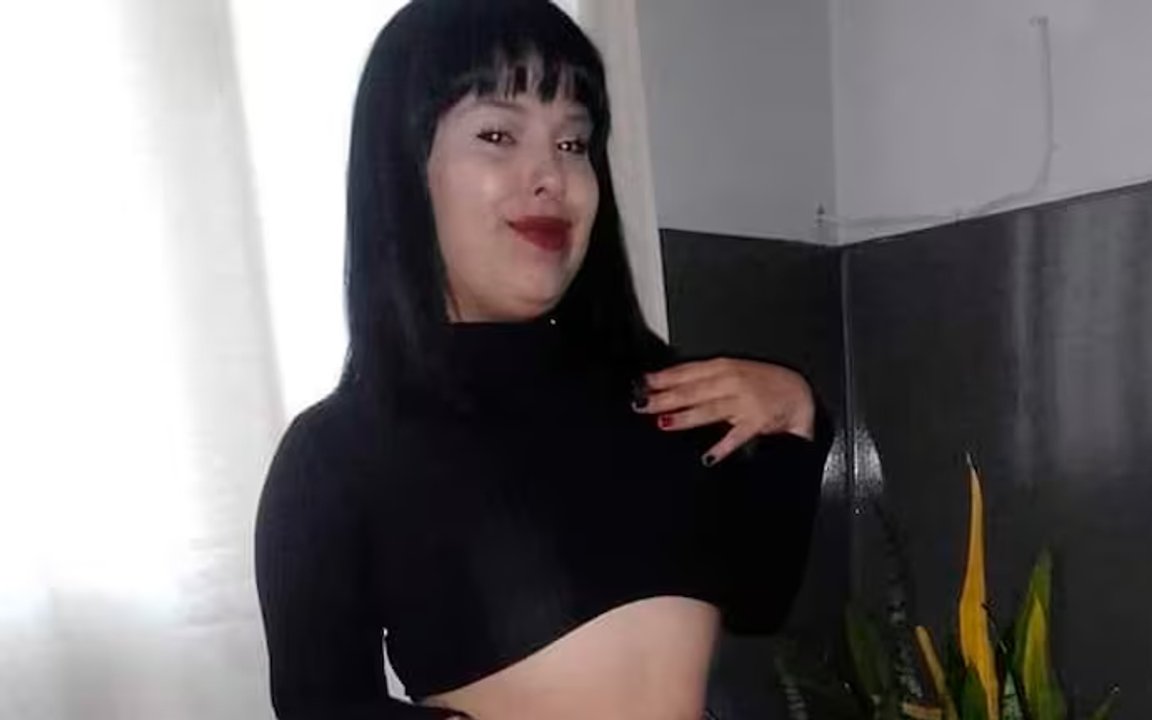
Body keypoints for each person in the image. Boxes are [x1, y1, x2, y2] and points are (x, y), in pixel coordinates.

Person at [253, 1, 833, 718]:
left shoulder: (664, 397)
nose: (550, 176)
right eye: (497, 134)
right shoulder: (338, 452)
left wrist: (794, 416)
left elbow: (759, 598)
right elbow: (318, 704)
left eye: (572, 142)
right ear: (402, 172)